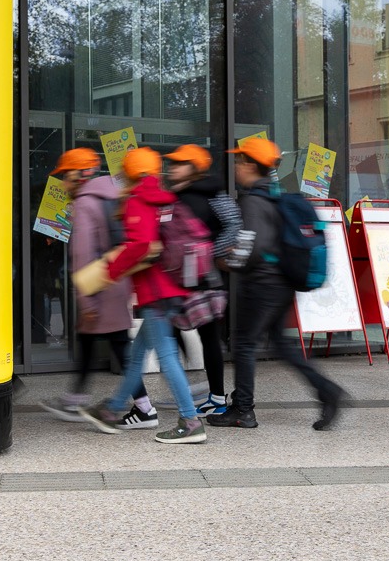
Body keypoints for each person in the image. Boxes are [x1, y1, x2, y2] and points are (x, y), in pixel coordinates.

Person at [208, 137, 346, 431]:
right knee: (283, 345)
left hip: (261, 285)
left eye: (238, 160)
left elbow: (255, 246)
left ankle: (243, 410)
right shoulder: (273, 195)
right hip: (280, 284)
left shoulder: (253, 201)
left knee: (244, 344)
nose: (235, 166)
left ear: (249, 165)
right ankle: (328, 391)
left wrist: (230, 261)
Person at [81, 147, 207, 444]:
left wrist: (108, 272)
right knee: (137, 355)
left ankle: (190, 421)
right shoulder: (163, 198)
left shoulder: (139, 200)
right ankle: (113, 410)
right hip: (171, 287)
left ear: (129, 173)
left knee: (166, 357)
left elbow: (141, 245)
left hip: (157, 293)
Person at [41, 148, 159, 428]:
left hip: (97, 285)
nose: (63, 183)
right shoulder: (114, 193)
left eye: (65, 176)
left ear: (78, 175)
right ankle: (75, 398)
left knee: (120, 346)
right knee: (92, 340)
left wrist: (87, 302)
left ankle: (144, 408)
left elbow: (82, 256)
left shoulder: (85, 203)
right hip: (117, 281)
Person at [164, 144, 243, 416]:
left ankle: (216, 398)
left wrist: (214, 252)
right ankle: (195, 391)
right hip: (180, 279)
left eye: (180, 163)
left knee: (206, 337)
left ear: (195, 167)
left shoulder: (209, 194)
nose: (172, 167)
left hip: (204, 279)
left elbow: (235, 224)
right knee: (172, 331)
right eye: (172, 163)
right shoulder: (177, 195)